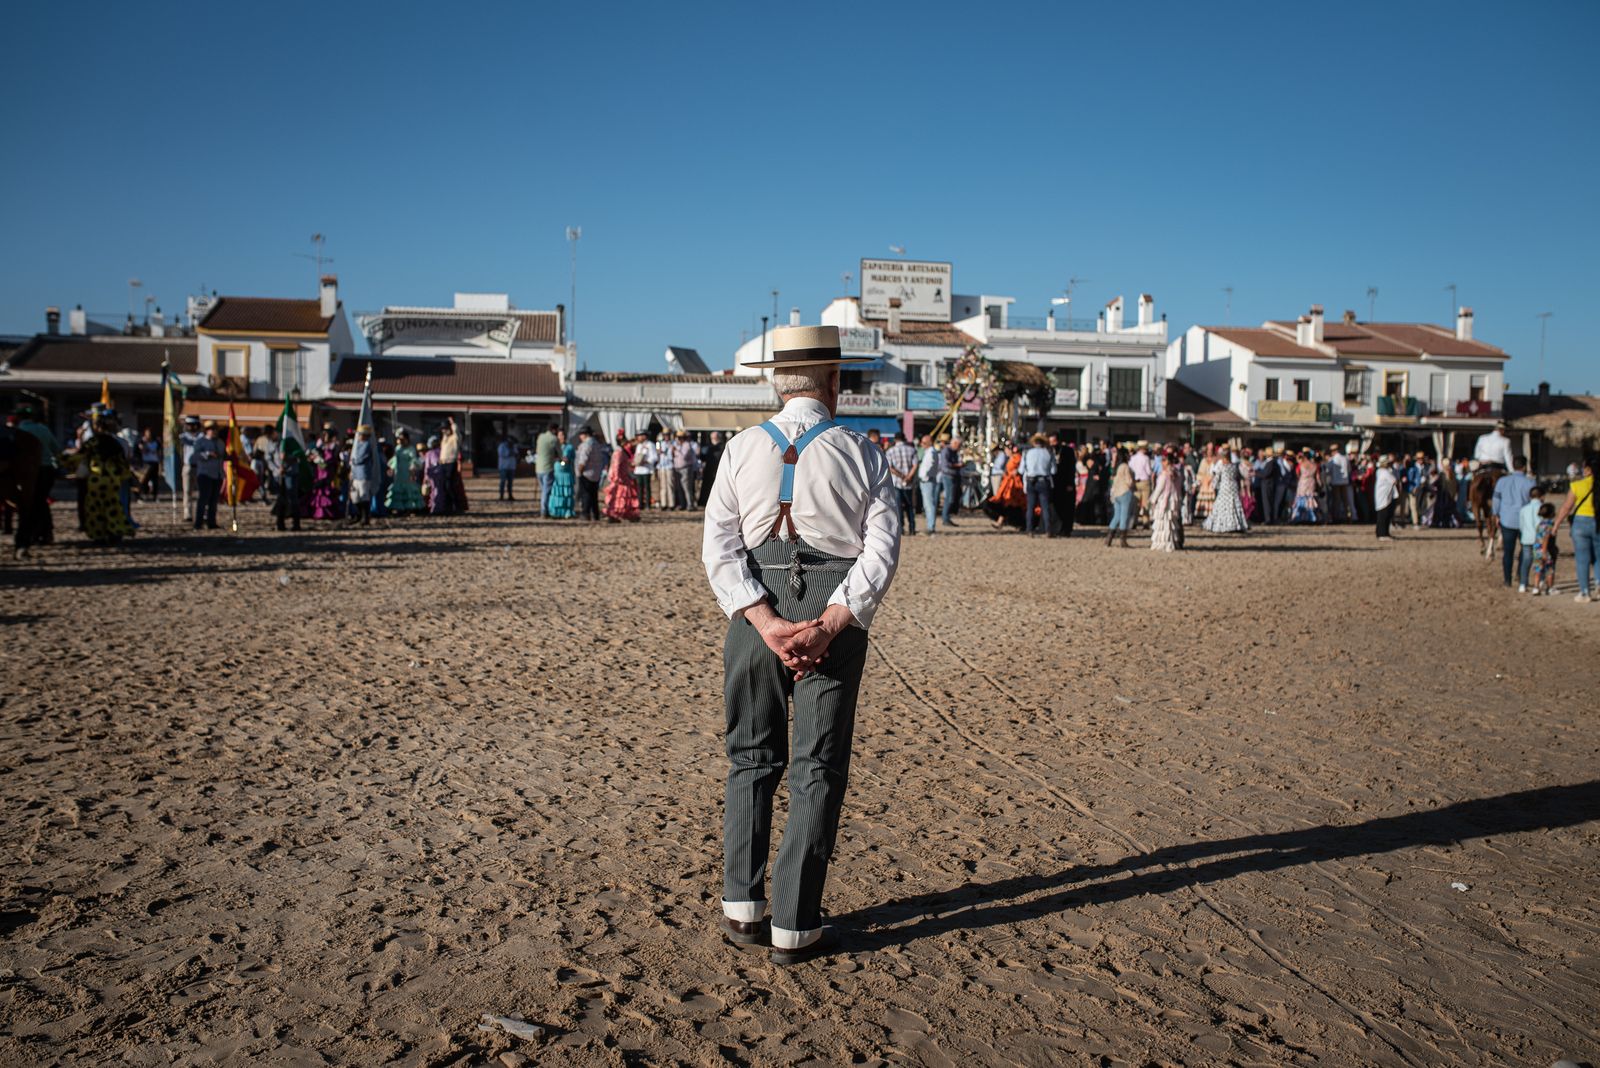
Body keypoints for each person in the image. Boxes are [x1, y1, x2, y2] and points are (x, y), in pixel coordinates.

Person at [701, 324, 898, 965]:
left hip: (755, 613)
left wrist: (764, 620)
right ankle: (794, 922)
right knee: (818, 765)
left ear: (777, 382)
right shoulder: (863, 452)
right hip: (831, 615)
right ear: (834, 382)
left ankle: (742, 905)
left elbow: (719, 549)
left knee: (751, 758)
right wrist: (832, 621)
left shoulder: (740, 447)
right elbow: (881, 552)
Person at [1549, 454, 1596, 602]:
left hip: (1581, 523)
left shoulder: (1577, 485)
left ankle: (1585, 592)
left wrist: (1556, 525)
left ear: (1588, 470)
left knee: (1582, 559)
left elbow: (1566, 508)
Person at [1491, 456, 1536, 588]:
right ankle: (1521, 575)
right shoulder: (1530, 483)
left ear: (1513, 465)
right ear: (1524, 467)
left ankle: (1507, 580)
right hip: (1525, 521)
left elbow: (1496, 499)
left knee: (1508, 552)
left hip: (1507, 519)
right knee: (1525, 549)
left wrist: (1496, 514)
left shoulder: (1502, 481)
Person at [189, 420, 225, 531]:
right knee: (203, 499)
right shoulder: (200, 442)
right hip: (205, 474)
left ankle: (211, 522)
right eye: (211, 429)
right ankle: (198, 523)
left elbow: (223, 455)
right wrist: (207, 454)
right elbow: (193, 457)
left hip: (217, 474)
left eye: (215, 429)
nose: (213, 431)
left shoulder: (220, 442)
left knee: (214, 500)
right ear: (206, 430)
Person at [1204, 450, 1249, 534]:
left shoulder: (1222, 467)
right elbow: (1240, 477)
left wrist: (1213, 486)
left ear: (1224, 458)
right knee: (1233, 505)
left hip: (1224, 488)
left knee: (1223, 506)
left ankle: (1224, 525)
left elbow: (1217, 477)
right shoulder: (1234, 466)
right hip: (1233, 488)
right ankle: (1236, 524)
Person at [982, 443, 1024, 529]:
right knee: (1006, 503)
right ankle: (1001, 521)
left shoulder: (1016, 457)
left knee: (1012, 503)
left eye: (1007, 450)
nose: (1005, 452)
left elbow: (1020, 468)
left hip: (1014, 483)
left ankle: (1008, 522)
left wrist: (1016, 471)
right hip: (1008, 483)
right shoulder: (1012, 458)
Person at [1020, 433, 1054, 537]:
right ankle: (1048, 530)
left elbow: (1021, 470)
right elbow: (1053, 470)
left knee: (1030, 507)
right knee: (1045, 507)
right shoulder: (1048, 453)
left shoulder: (1027, 453)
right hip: (1043, 480)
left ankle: (1029, 530)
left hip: (1031, 480)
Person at [884, 432, 918, 536]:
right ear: (904, 439)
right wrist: (909, 476)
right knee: (910, 506)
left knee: (898, 507)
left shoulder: (890, 451)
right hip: (909, 482)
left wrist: (902, 476)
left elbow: (890, 467)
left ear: (895, 439)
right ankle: (912, 528)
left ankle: (901, 528)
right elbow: (915, 465)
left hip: (897, 482)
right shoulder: (912, 450)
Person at [603, 433, 641, 522]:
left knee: (624, 496)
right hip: (620, 478)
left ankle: (626, 514)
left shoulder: (620, 451)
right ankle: (615, 514)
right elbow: (616, 466)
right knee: (619, 496)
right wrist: (616, 477)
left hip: (624, 477)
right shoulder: (619, 452)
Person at [386, 429, 425, 514]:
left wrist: (412, 471)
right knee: (399, 488)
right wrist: (391, 468)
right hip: (399, 472)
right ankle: (399, 508)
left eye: (403, 439)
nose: (401, 441)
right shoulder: (398, 448)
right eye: (399, 439)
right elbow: (395, 460)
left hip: (407, 472)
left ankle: (410, 508)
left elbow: (413, 460)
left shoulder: (411, 449)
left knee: (409, 488)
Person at [1516, 486, 1545, 592]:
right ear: (1541, 496)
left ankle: (1522, 584)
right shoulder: (1543, 508)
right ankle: (1540, 581)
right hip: (1539, 538)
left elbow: (1521, 525)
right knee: (1539, 561)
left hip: (1526, 538)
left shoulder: (1524, 509)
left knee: (1526, 561)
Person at [347, 424, 378, 526]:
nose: (359, 436)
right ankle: (359, 515)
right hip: (356, 474)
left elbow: (360, 458)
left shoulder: (367, 445)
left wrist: (352, 460)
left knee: (364, 495)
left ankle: (365, 517)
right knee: (355, 496)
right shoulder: (357, 445)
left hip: (364, 474)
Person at [574, 426, 604, 521]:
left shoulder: (586, 445)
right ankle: (595, 514)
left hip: (586, 473)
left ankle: (585, 513)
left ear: (585, 434)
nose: (580, 436)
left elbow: (583, 460)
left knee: (586, 494)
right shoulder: (596, 443)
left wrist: (580, 471)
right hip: (596, 473)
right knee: (594, 495)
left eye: (581, 434)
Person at [1105, 447, 1134, 547]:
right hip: (1125, 492)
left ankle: (1108, 539)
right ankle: (1123, 541)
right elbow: (1129, 481)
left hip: (1116, 493)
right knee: (1124, 517)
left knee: (1116, 516)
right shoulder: (1125, 466)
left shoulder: (1116, 466)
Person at [547, 429, 575, 518]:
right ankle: (556, 512)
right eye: (560, 435)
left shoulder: (569, 447)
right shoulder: (554, 446)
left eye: (563, 435)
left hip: (566, 473)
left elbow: (569, 459)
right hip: (557, 473)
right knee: (556, 492)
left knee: (566, 493)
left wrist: (563, 462)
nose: (562, 437)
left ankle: (567, 511)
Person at [1532, 502, 1559, 595]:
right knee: (1549, 569)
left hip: (1537, 549)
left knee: (1538, 569)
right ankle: (1550, 588)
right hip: (1546, 550)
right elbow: (1546, 538)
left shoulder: (1540, 524)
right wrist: (1544, 551)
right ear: (1552, 513)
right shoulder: (1550, 525)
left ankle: (1536, 587)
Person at [534, 423, 560, 516]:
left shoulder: (540, 437)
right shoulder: (554, 439)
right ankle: (544, 511)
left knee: (543, 490)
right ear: (554, 430)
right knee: (546, 491)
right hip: (548, 467)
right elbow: (560, 453)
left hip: (538, 467)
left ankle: (544, 509)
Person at [916, 434, 940, 535]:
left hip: (927, 481)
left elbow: (930, 465)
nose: (922, 444)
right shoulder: (929, 451)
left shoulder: (931, 452)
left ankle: (931, 527)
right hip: (926, 480)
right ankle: (930, 526)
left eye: (924, 443)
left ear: (930, 442)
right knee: (928, 505)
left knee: (929, 505)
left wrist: (924, 476)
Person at [1291, 450, 1322, 524]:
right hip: (1311, 482)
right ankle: (1311, 517)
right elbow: (1318, 477)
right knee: (1310, 498)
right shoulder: (1315, 465)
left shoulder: (1301, 464)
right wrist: (1320, 485)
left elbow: (1297, 474)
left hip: (1303, 482)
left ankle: (1299, 517)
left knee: (1301, 498)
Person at [697, 431, 726, 508]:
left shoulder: (722, 447)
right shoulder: (709, 447)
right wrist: (699, 454)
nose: (713, 439)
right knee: (707, 487)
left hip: (718, 470)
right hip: (709, 470)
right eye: (712, 437)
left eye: (714, 437)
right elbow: (703, 458)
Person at [937, 436, 961, 527]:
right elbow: (945, 464)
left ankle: (947, 517)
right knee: (949, 498)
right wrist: (957, 465)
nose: (959, 448)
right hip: (948, 476)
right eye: (959, 445)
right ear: (954, 443)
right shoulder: (946, 451)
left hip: (953, 476)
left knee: (952, 497)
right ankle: (945, 518)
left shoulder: (954, 452)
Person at [1374, 455, 1399, 541]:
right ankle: (1382, 534)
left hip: (1382, 496)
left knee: (1383, 515)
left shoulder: (1379, 471)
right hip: (1384, 497)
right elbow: (1394, 480)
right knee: (1384, 516)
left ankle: (1383, 533)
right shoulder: (1385, 472)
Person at [1128, 442, 1153, 528]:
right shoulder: (1146, 458)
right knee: (1145, 503)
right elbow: (1149, 471)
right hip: (1144, 481)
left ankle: (1134, 521)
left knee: (1136, 503)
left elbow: (1130, 469)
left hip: (1135, 482)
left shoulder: (1133, 458)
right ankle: (1145, 522)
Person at [633, 431, 658, 509]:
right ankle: (640, 504)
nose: (638, 438)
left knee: (647, 487)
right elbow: (636, 456)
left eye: (640, 436)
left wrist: (646, 461)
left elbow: (654, 457)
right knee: (639, 487)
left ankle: (647, 504)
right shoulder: (639, 446)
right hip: (638, 469)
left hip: (646, 469)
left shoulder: (650, 445)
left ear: (644, 436)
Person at [136, 427, 161, 500]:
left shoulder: (156, 442)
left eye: (150, 434)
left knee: (155, 480)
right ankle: (145, 493)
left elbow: (159, 452)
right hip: (146, 462)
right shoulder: (142, 441)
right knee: (145, 479)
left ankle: (154, 495)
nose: (149, 435)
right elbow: (142, 449)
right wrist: (144, 444)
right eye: (147, 434)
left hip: (155, 462)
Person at [497, 434, 519, 502]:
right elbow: (504, 454)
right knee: (503, 482)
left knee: (510, 482)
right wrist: (511, 452)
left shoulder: (514, 446)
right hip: (503, 467)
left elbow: (516, 454)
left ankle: (510, 495)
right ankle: (501, 496)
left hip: (511, 467)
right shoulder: (502, 446)